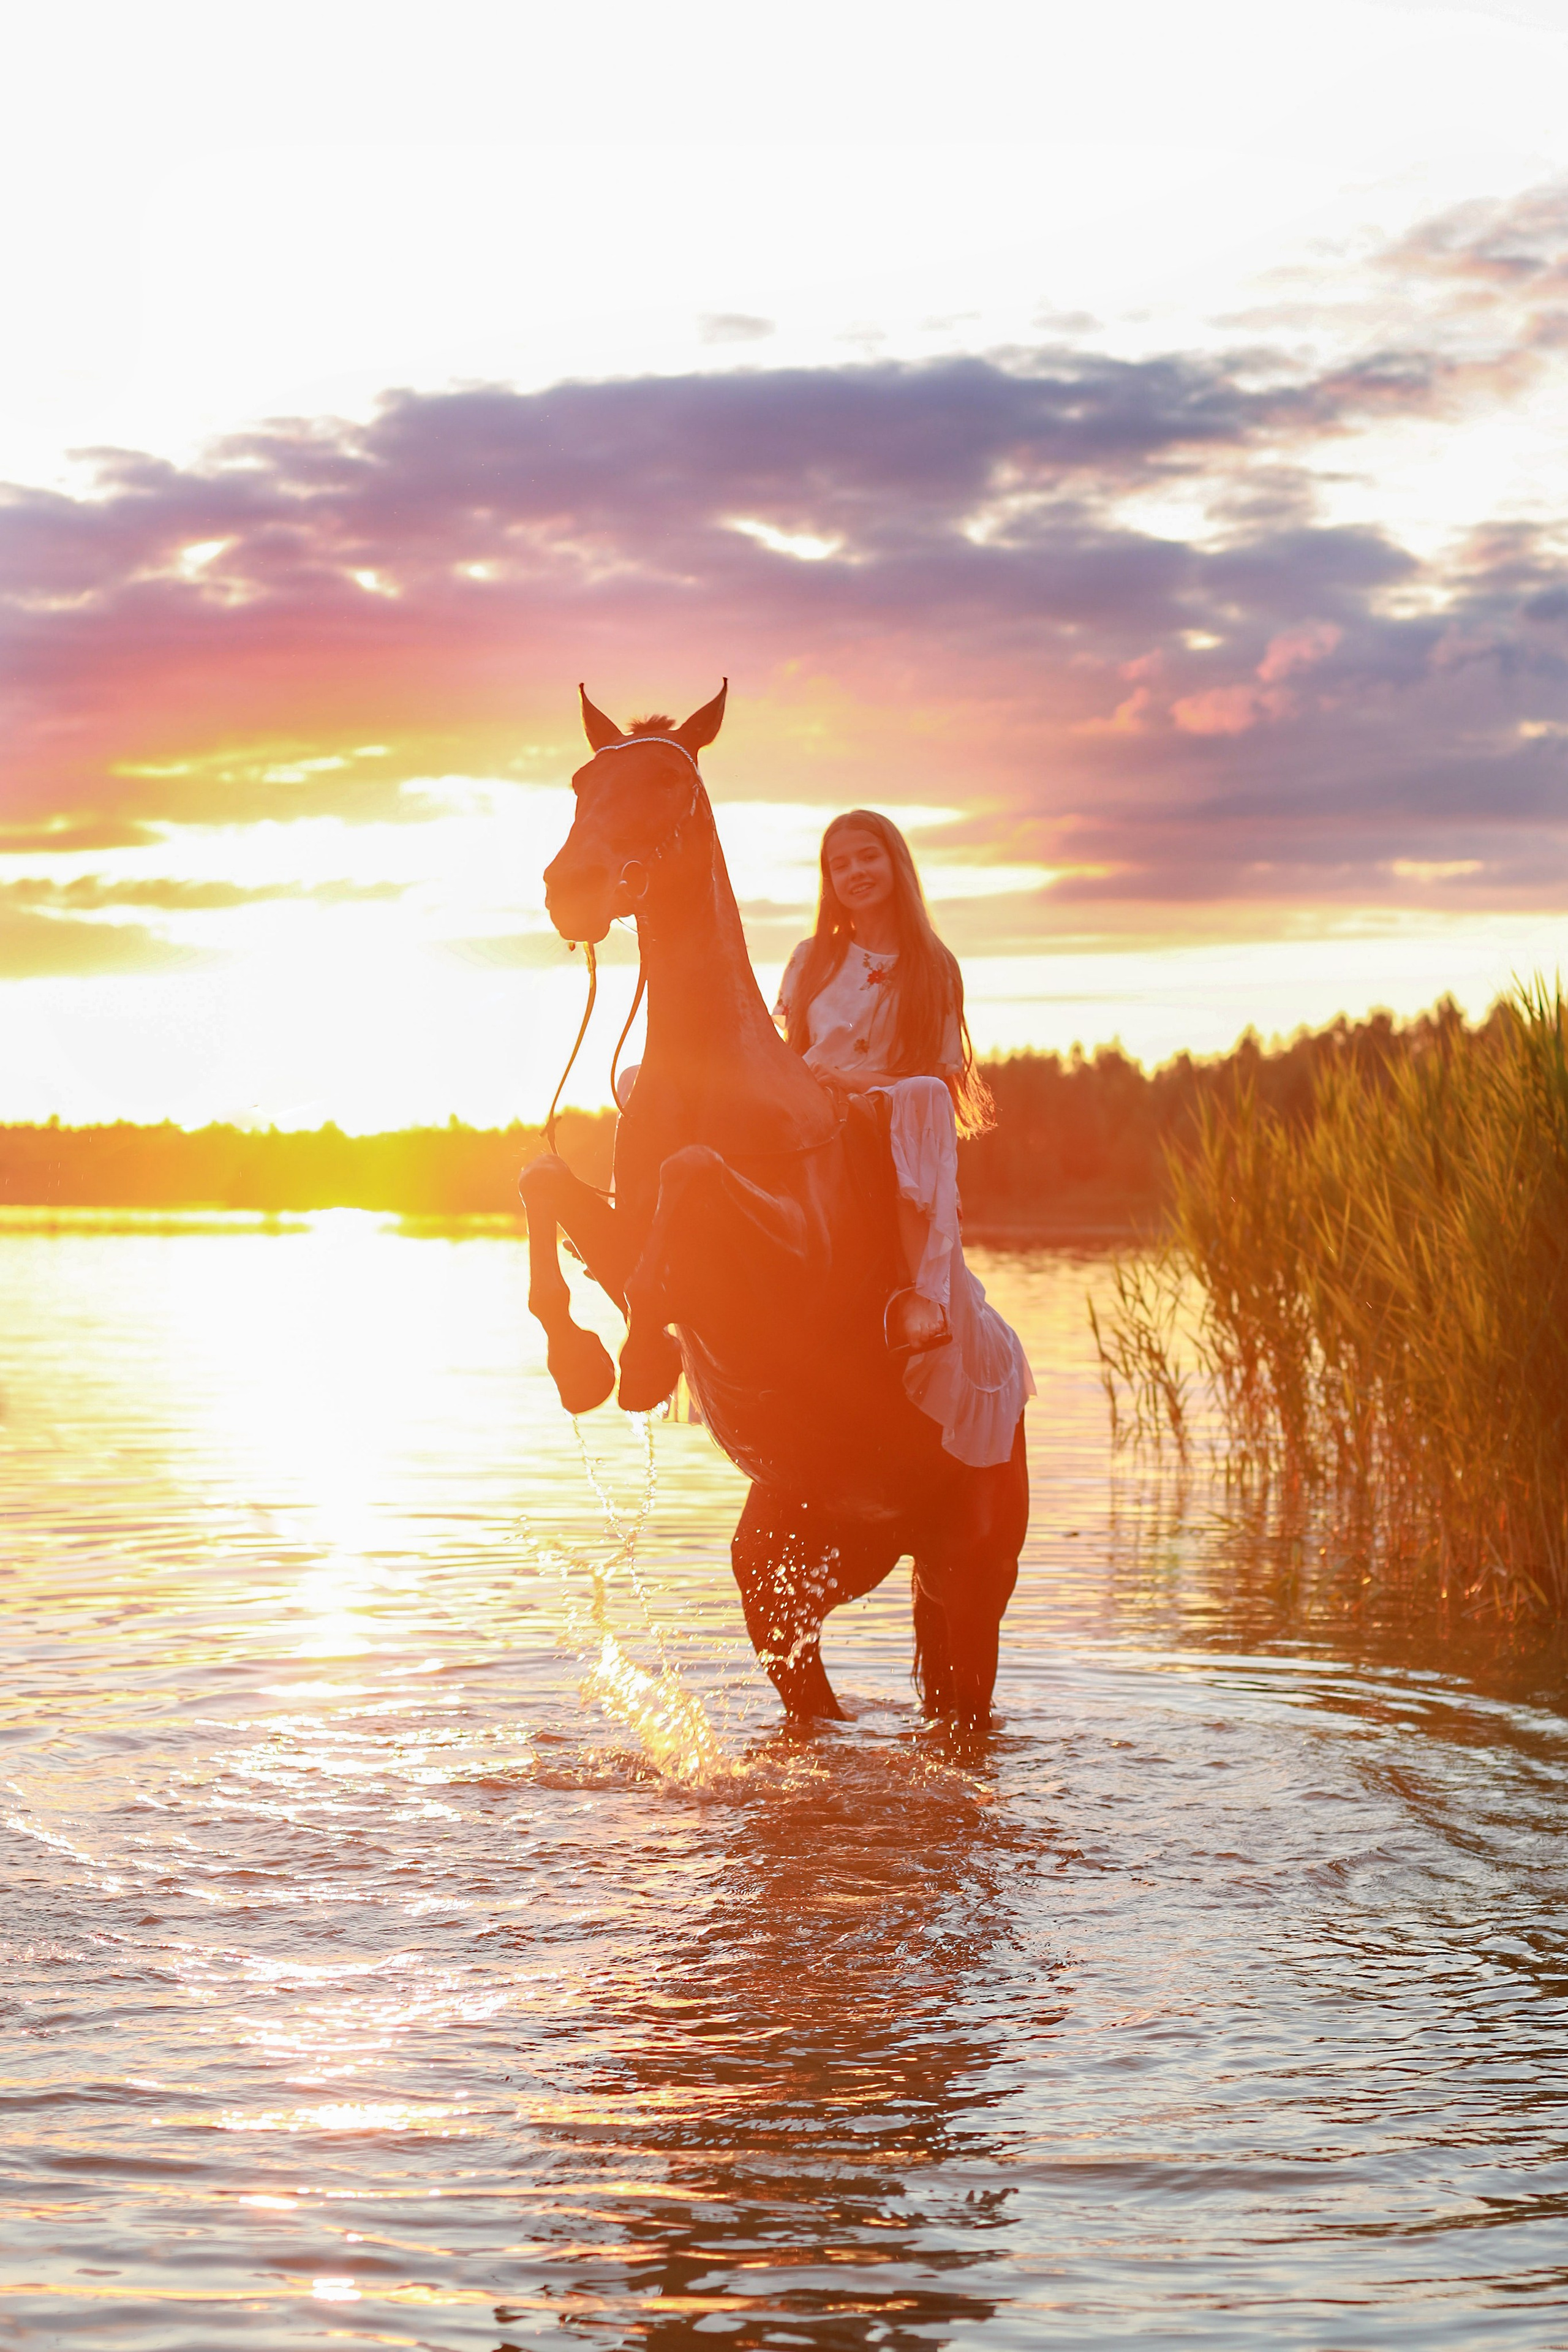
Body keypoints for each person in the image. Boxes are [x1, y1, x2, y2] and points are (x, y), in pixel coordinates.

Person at [774, 809, 1035, 1471]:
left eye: (867, 857)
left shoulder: (932, 967)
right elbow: (787, 1056)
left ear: (895, 865)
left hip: (885, 1117)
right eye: (840, 865)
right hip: (805, 1115)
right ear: (828, 881)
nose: (855, 873)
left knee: (920, 1095)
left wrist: (856, 1080)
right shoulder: (812, 960)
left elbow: (939, 1079)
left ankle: (923, 1300)